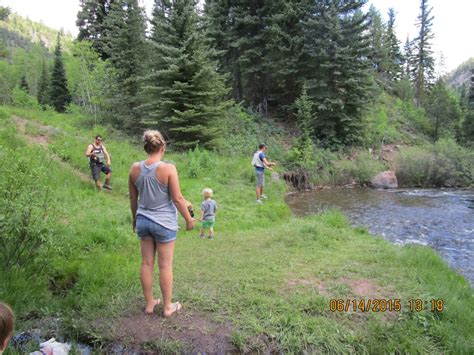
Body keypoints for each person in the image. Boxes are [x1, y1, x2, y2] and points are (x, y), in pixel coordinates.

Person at [128, 130, 194, 317]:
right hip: (164, 223)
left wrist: (135, 218)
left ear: (145, 147)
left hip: (143, 221)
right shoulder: (168, 168)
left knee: (146, 263)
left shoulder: (134, 169)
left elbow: (133, 198)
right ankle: (167, 307)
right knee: (165, 265)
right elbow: (178, 198)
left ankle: (150, 305)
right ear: (163, 147)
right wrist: (189, 220)